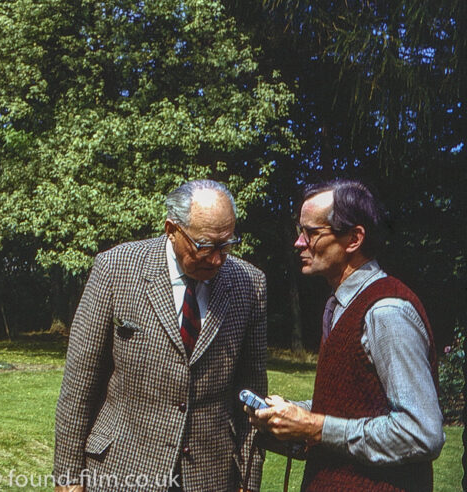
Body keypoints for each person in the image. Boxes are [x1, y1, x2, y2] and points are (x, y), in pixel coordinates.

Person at [54, 180, 268, 492]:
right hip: (122, 469)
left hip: (211, 476)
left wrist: (249, 482)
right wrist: (68, 478)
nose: (218, 259)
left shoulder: (251, 284)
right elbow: (79, 381)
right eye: (205, 246)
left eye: (227, 245)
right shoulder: (115, 268)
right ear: (172, 229)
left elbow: (252, 394)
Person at [249, 179, 445, 491]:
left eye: (311, 233)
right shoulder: (339, 304)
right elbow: (356, 404)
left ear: (354, 238)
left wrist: (315, 427)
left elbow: (421, 433)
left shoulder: (386, 311)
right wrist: (291, 413)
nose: (299, 243)